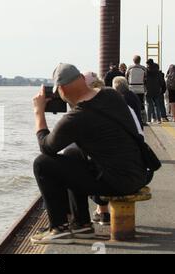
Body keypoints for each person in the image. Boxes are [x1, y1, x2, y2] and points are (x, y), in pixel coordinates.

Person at [31, 64, 148, 244]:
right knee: (72, 153)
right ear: (82, 79)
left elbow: (46, 147)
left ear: (60, 89)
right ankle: (81, 224)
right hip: (138, 174)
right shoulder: (111, 95)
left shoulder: (76, 118)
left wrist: (39, 112)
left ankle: (58, 228)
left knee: (42, 163)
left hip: (118, 183)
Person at [126, 55, 147, 124]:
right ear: (140, 60)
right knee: (142, 104)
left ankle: (131, 119)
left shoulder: (129, 68)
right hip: (141, 88)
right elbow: (146, 78)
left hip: (131, 88)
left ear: (133, 60)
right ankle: (143, 120)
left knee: (131, 104)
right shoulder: (143, 68)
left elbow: (126, 77)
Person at [145, 59, 163, 124]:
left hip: (148, 90)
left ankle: (149, 120)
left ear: (148, 64)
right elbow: (161, 82)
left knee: (149, 105)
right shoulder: (158, 72)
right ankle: (158, 120)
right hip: (157, 90)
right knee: (157, 105)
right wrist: (162, 90)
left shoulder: (146, 71)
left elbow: (144, 81)